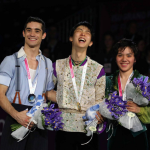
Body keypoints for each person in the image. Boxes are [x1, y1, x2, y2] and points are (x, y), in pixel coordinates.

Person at [46, 21, 106, 150]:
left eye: (87, 32)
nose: (83, 33)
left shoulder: (98, 69)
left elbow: (100, 100)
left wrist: (101, 115)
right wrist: (62, 98)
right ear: (71, 38)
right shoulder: (57, 65)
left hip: (88, 129)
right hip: (64, 129)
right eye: (79, 30)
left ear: (90, 43)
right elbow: (46, 92)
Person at [0, 16, 54, 150]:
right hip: (16, 116)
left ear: (43, 35)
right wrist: (17, 115)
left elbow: (49, 92)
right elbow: (0, 93)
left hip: (39, 119)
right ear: (24, 33)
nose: (32, 34)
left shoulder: (47, 63)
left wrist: (70, 99)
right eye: (29, 30)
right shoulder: (10, 61)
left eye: (37, 31)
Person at [106, 38, 150, 150]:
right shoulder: (107, 81)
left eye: (129, 55)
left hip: (138, 136)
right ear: (115, 58)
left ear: (135, 59)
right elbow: (99, 105)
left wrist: (139, 110)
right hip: (114, 135)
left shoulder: (144, 81)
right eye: (120, 55)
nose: (124, 59)